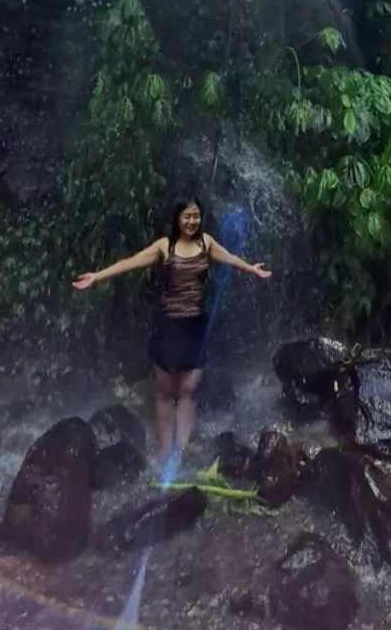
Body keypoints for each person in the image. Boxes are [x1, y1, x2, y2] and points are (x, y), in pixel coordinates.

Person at [72, 197, 271, 463]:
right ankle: (166, 447)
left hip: (194, 326)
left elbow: (229, 258)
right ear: (178, 218)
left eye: (196, 216)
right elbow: (132, 261)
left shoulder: (206, 243)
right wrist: (97, 276)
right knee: (166, 391)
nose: (192, 221)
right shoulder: (165, 246)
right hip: (168, 325)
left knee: (189, 389)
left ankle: (182, 446)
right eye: (187, 216)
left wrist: (251, 269)